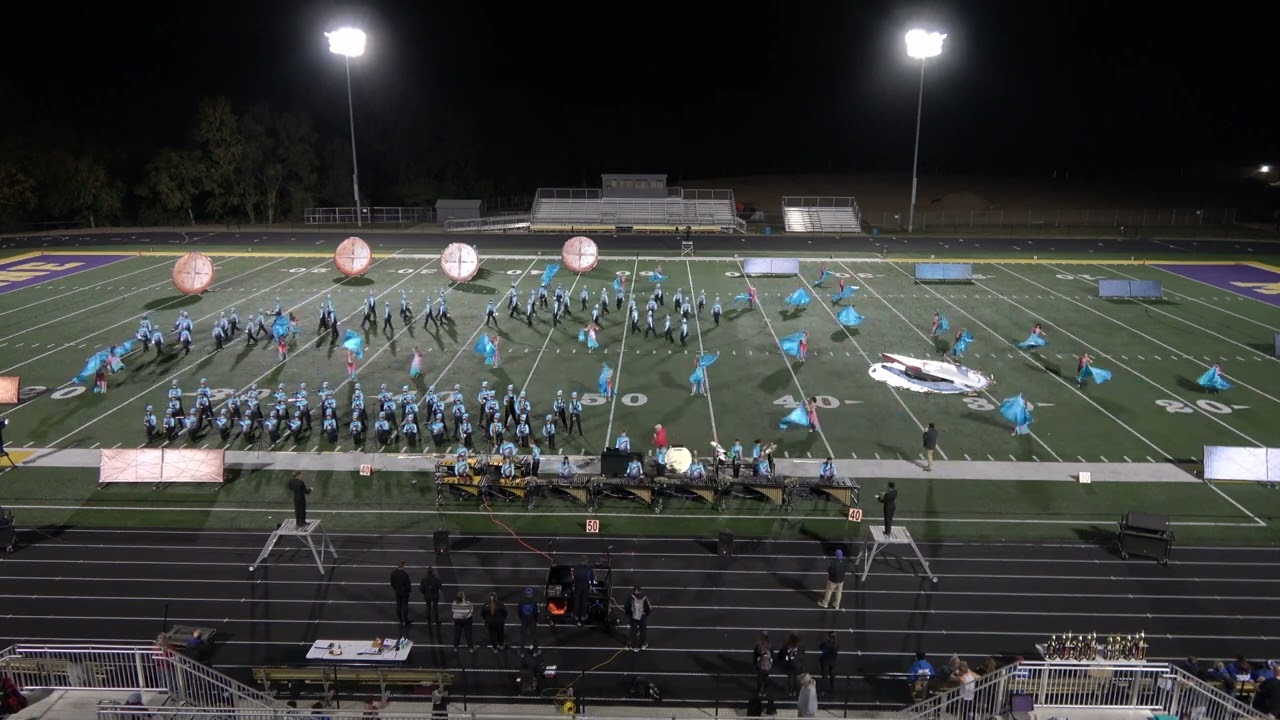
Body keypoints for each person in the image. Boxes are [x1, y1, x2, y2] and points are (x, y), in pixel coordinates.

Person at [625, 585, 652, 651]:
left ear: (634, 591)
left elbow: (626, 606)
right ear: (640, 591)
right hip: (642, 616)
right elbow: (649, 608)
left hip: (633, 616)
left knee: (634, 631)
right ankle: (643, 644)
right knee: (643, 630)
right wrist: (646, 615)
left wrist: (629, 614)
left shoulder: (631, 597)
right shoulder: (644, 598)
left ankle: (634, 646)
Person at [517, 586, 541, 657]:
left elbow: (519, 613)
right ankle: (535, 652)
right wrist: (536, 620)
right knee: (534, 637)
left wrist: (522, 619)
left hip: (524, 621)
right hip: (532, 621)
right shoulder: (534, 603)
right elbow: (536, 613)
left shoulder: (521, 603)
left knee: (523, 637)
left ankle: (522, 653)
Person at [420, 567, 444, 631]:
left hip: (427, 596)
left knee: (428, 607)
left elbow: (421, 589)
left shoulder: (423, 579)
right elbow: (441, 587)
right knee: (435, 608)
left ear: (427, 572)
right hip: (435, 596)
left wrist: (424, 593)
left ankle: (428, 620)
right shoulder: (436, 579)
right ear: (432, 572)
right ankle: (436, 621)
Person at [390, 561, 412, 626]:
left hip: (397, 591)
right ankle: (405, 620)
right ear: (403, 566)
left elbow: (392, 583)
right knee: (404, 606)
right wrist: (408, 591)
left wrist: (395, 589)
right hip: (404, 592)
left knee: (398, 606)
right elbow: (408, 584)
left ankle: (400, 620)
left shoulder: (393, 573)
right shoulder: (405, 574)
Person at [572, 557, 592, 625]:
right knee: (584, 600)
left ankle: (576, 615)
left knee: (577, 600)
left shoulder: (576, 568)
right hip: (585, 586)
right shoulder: (588, 569)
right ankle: (583, 615)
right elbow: (591, 578)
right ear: (585, 561)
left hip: (577, 586)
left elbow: (574, 577)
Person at [754, 631, 773, 696]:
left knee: (760, 679)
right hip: (767, 665)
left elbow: (755, 655)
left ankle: (759, 691)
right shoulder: (769, 645)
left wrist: (755, 663)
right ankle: (765, 691)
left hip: (760, 665)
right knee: (766, 679)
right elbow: (772, 655)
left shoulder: (758, 645)